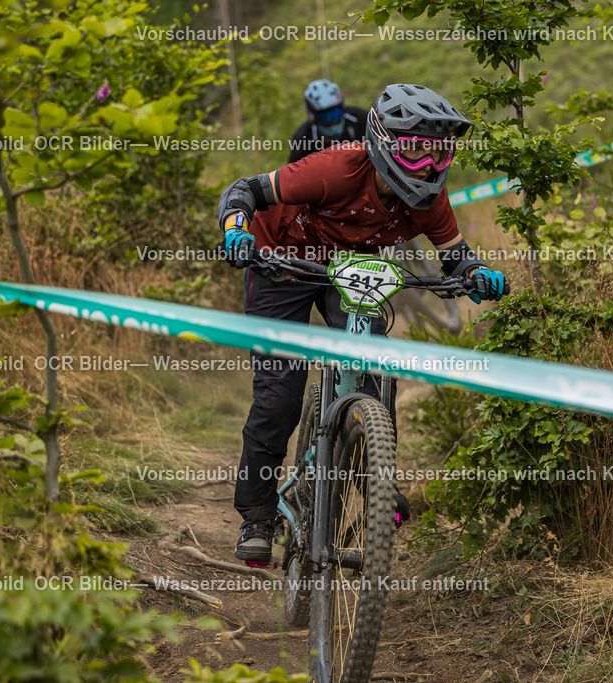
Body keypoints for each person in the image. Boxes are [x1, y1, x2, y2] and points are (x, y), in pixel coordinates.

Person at [218, 83, 508, 563]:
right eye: (417, 151)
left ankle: (376, 483)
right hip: (280, 265)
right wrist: (236, 229)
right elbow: (245, 190)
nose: (430, 165)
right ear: (383, 143)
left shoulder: (429, 199)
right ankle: (257, 515)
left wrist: (477, 275)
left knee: (375, 367)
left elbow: (456, 257)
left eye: (440, 152)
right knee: (278, 396)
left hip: (349, 271)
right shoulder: (337, 168)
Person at [288, 78, 368, 163]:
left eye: (336, 114)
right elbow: (294, 171)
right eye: (324, 117)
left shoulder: (359, 119)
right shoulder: (303, 137)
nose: (332, 122)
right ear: (313, 117)